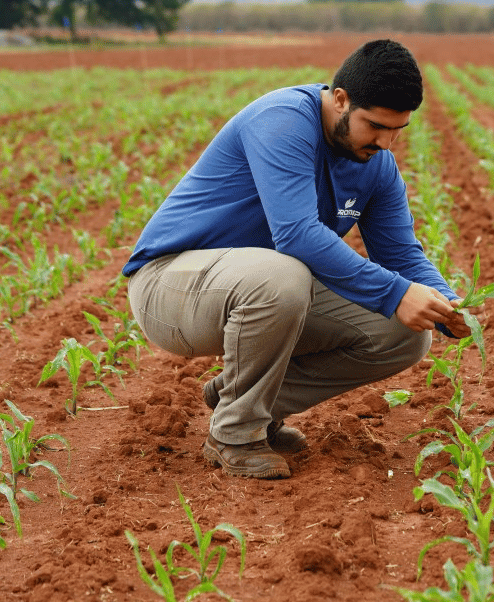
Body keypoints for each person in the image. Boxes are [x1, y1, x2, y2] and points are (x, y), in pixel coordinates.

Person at [122, 39, 469, 479]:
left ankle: (242, 399)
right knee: (285, 273)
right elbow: (296, 235)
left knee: (404, 333)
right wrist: (397, 291)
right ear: (340, 99)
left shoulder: (377, 165)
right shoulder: (283, 121)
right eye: (375, 125)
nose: (386, 142)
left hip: (256, 287)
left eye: (397, 129)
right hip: (170, 284)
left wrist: (442, 302)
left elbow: (401, 254)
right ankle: (236, 432)